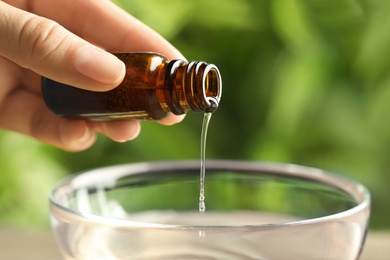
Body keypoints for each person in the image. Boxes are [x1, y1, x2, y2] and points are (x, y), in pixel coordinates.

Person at [0, 0, 185, 152]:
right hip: (46, 88)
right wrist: (35, 38)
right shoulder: (154, 65)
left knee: (85, 132)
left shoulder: (157, 106)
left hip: (35, 93)